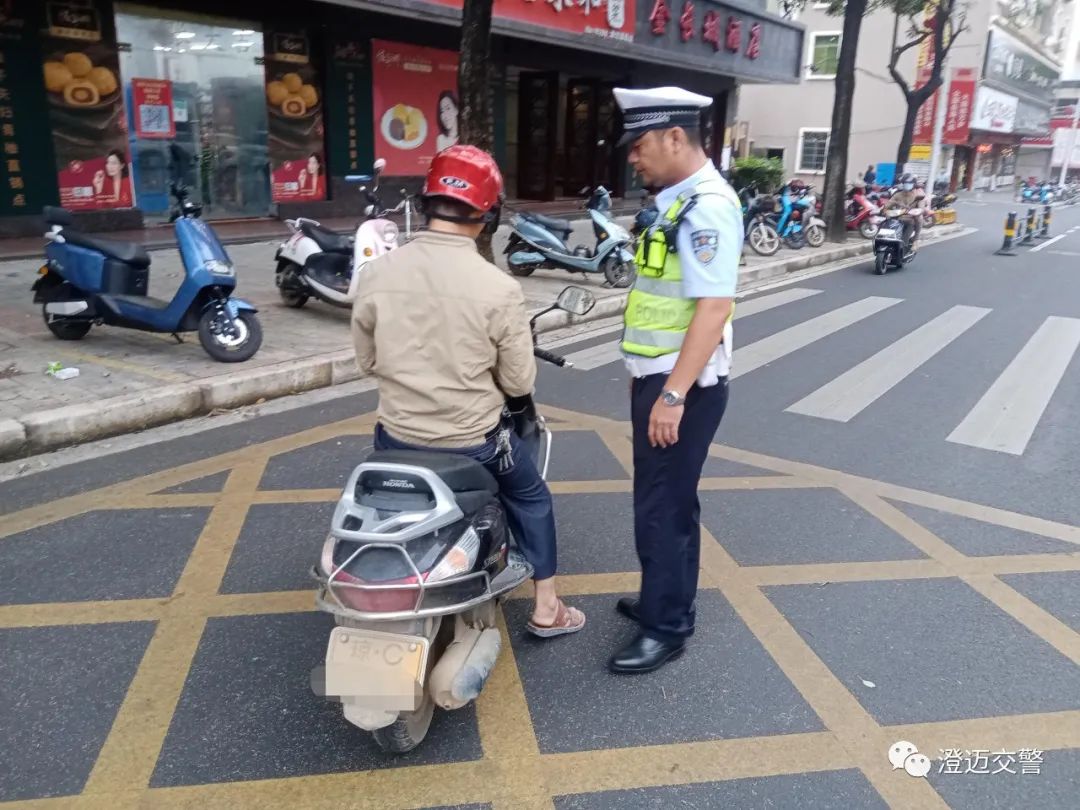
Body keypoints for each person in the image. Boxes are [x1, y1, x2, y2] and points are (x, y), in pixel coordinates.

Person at [350, 144, 585, 638]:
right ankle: (547, 606)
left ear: (426, 202)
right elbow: (519, 383)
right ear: (488, 213)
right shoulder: (497, 288)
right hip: (473, 443)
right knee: (532, 495)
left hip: (395, 438)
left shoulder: (376, 274)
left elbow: (367, 362)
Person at [607, 86, 741, 674]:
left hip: (683, 386)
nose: (633, 157)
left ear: (675, 137)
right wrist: (644, 376)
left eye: (639, 145)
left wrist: (671, 393)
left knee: (663, 507)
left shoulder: (707, 206)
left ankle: (666, 627)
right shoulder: (678, 200)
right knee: (666, 500)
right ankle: (664, 599)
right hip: (662, 377)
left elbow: (714, 307)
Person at [889, 172, 922, 250]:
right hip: (897, 216)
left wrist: (917, 211)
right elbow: (890, 202)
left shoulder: (918, 194)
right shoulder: (898, 193)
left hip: (910, 219)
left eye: (909, 183)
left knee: (919, 218)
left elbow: (921, 207)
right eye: (905, 183)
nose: (907, 185)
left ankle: (916, 240)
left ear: (913, 184)